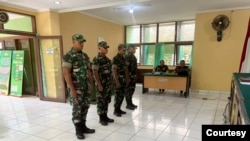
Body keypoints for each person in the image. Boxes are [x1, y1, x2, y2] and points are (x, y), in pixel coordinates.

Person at [62, 34, 95, 140]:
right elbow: (66, 73)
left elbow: (88, 71)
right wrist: (72, 89)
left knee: (85, 107)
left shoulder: (85, 56)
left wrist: (91, 84)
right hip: (76, 88)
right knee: (77, 109)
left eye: (82, 42)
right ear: (73, 42)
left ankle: (83, 126)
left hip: (85, 87)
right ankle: (78, 130)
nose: (82, 44)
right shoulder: (69, 55)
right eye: (79, 42)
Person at [92, 41, 114, 126]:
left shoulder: (107, 60)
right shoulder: (96, 59)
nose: (106, 49)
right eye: (105, 48)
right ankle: (101, 118)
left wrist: (111, 82)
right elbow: (95, 72)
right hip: (101, 85)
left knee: (106, 101)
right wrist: (99, 84)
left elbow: (110, 72)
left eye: (107, 48)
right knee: (101, 101)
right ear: (99, 49)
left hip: (107, 85)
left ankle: (105, 116)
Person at [112, 44, 129, 117]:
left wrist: (127, 78)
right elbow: (114, 71)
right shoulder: (115, 59)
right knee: (118, 95)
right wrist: (116, 81)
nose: (124, 51)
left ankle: (119, 109)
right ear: (119, 50)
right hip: (118, 79)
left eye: (125, 50)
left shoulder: (123, 58)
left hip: (123, 79)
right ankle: (116, 110)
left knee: (122, 95)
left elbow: (125, 69)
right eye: (123, 50)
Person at [125, 44, 138, 110]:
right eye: (134, 48)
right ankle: (128, 104)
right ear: (130, 48)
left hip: (133, 76)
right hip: (129, 77)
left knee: (132, 90)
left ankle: (130, 103)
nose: (135, 50)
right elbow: (126, 67)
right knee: (128, 91)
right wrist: (127, 77)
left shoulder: (133, 56)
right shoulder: (127, 56)